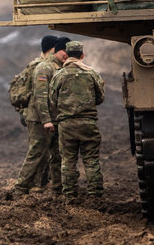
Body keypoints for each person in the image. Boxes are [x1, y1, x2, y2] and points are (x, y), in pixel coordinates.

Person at [49, 41, 105, 200]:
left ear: (66, 55)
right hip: (88, 123)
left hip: (67, 125)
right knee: (92, 160)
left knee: (68, 161)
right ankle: (95, 195)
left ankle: (70, 196)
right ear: (82, 55)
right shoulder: (92, 74)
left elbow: (53, 100)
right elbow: (100, 98)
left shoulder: (59, 75)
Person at [15, 36, 70, 195]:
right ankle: (21, 188)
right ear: (57, 50)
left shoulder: (59, 66)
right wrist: (46, 120)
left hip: (54, 118)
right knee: (37, 153)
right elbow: (41, 96)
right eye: (64, 52)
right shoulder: (44, 67)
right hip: (40, 119)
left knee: (57, 155)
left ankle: (57, 189)